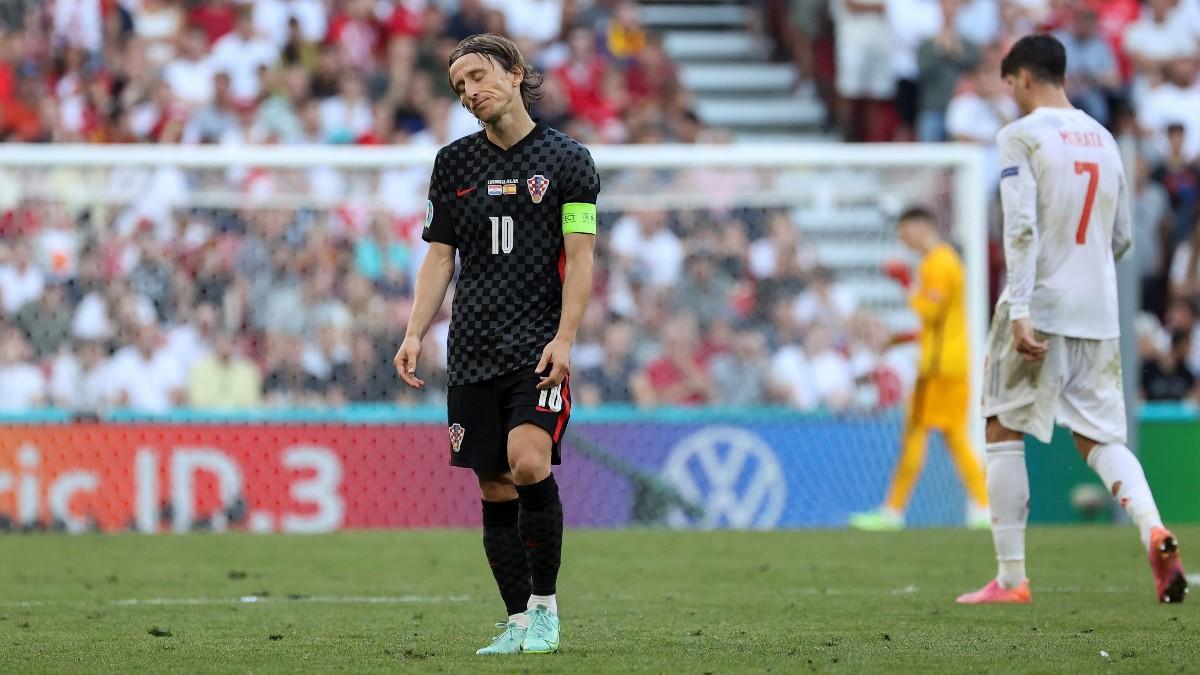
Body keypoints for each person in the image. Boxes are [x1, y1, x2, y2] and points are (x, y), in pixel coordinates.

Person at [959, 35, 1187, 605]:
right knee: (1100, 438)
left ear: (1024, 79)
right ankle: (1153, 528)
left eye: (1010, 85)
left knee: (1001, 427)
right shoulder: (1106, 138)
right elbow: (1123, 237)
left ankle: (1011, 579)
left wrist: (1021, 308)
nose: (1011, 95)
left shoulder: (1020, 135)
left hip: (1038, 307)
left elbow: (1020, 228)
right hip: (1099, 313)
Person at [392, 34, 600, 655]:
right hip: (473, 347)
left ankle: (545, 610)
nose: (470, 92)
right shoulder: (453, 164)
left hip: (538, 344)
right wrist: (413, 330)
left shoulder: (569, 161)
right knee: (493, 485)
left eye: (478, 77)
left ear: (513, 73)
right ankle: (516, 621)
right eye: (459, 87)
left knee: (529, 460)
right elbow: (439, 257)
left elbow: (581, 256)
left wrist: (566, 338)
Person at [849, 207, 989, 531]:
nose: (902, 239)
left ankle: (893, 512)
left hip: (938, 368)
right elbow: (938, 325)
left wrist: (905, 283)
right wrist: (898, 340)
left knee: (915, 435)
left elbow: (930, 312)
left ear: (921, 226)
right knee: (956, 438)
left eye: (904, 231)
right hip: (953, 364)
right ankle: (984, 508)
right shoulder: (941, 261)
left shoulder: (939, 262)